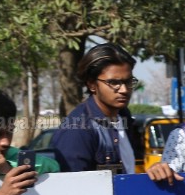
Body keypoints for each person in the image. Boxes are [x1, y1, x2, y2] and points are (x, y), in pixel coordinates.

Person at [51, 43, 139, 173]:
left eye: (128, 82)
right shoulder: (77, 129)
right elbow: (73, 187)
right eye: (114, 83)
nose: (124, 90)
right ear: (92, 84)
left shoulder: (124, 117)